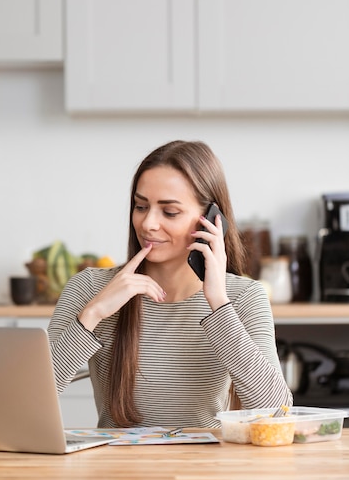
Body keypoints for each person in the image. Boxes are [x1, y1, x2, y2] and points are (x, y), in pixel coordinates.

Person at [48, 140, 292, 428]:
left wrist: (218, 303)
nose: (148, 223)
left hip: (207, 471)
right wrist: (92, 314)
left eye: (170, 212)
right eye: (141, 206)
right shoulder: (89, 288)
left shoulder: (243, 297)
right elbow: (25, 399)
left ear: (210, 221)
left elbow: (277, 413)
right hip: (114, 471)